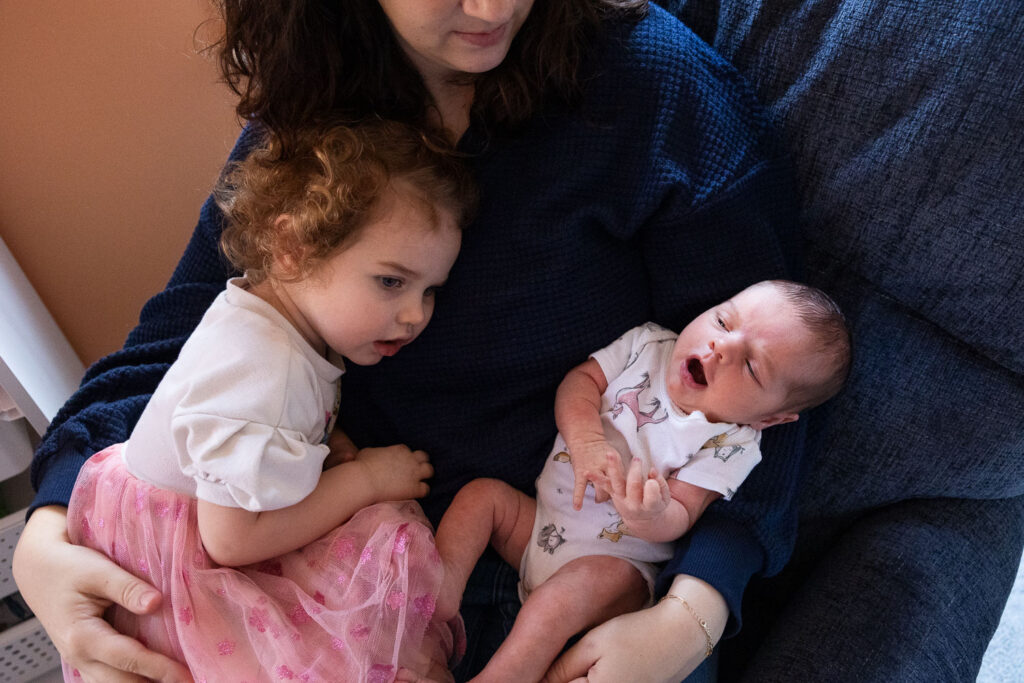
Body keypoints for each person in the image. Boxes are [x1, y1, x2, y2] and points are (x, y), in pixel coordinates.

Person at [13, 2, 805, 682]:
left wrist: (695, 612)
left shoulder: (659, 95)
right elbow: (174, 344)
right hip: (344, 565)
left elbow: (781, 388)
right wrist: (44, 535)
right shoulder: (315, 119)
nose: (495, 9)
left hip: (595, 578)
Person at [60, 121, 475, 682]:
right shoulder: (264, 369)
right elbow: (231, 540)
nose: (415, 315)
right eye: (390, 282)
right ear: (290, 248)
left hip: (209, 521)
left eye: (430, 290)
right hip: (181, 558)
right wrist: (367, 482)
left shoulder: (279, 321)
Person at [434, 280, 851, 682]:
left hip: (616, 568)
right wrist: (585, 440)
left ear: (771, 418)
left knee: (557, 603)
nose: (720, 347)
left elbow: (684, 511)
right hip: (539, 528)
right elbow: (580, 382)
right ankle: (436, 603)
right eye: (723, 321)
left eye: (751, 366)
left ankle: (507, 676)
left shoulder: (733, 442)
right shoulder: (648, 345)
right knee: (481, 497)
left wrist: (649, 515)